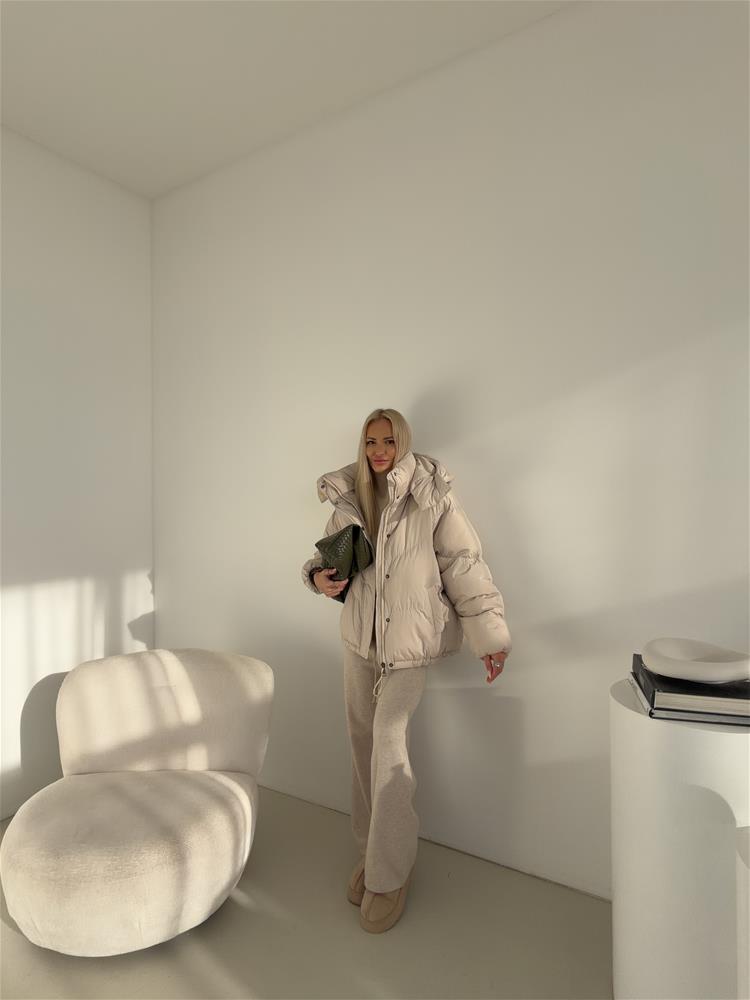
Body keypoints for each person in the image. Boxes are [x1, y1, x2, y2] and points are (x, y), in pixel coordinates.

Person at [301, 407, 512, 933]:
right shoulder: (350, 496)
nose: (379, 451)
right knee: (362, 749)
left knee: (389, 748)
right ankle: (371, 853)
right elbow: (324, 558)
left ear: (404, 442)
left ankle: (391, 873)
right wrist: (317, 578)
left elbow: (463, 563)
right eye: (371, 441)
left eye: (389, 441)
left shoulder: (431, 494)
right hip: (360, 642)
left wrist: (489, 637)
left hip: (409, 647)